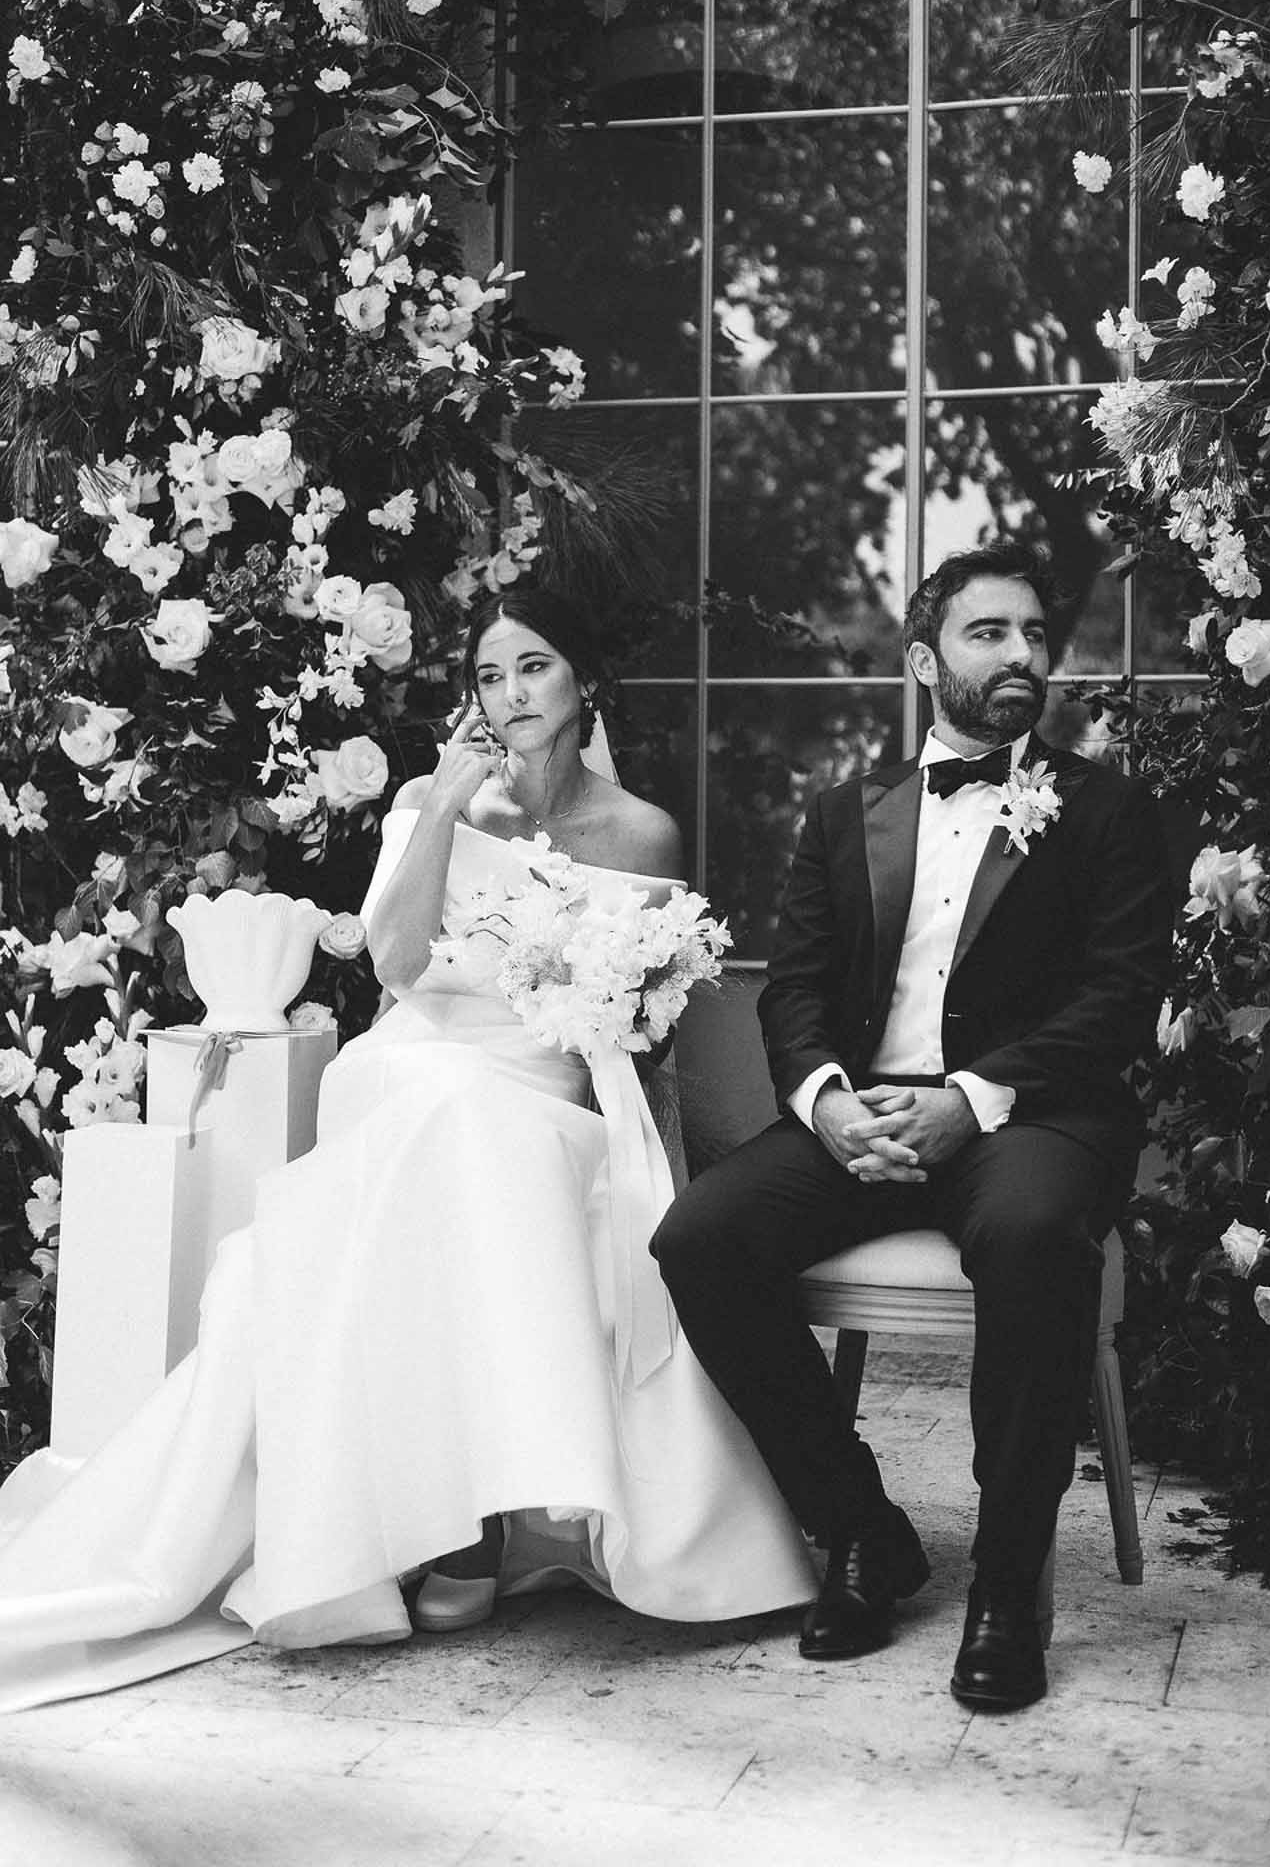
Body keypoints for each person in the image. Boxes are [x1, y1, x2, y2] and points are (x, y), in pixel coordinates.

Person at [0, 585, 813, 1713]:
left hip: (545, 1077)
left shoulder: (642, 832)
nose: (511, 692)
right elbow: (393, 964)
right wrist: (441, 806)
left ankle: (478, 1520)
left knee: (478, 1129)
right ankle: (453, 1524)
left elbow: (647, 1022)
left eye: (534, 665)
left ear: (584, 684)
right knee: (443, 1106)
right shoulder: (437, 799)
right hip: (413, 1057)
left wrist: (603, 1014)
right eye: (489, 674)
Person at [652, 546, 1173, 1712]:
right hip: (869, 1111)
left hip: (1033, 1115)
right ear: (926, 660)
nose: (1023, 653)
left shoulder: (1106, 809)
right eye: (991, 632)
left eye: (1034, 632)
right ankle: (861, 1528)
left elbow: (1120, 995)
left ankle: (1005, 1589)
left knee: (1033, 1235)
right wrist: (828, 1102)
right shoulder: (847, 812)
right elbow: (795, 989)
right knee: (700, 1237)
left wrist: (971, 1098)